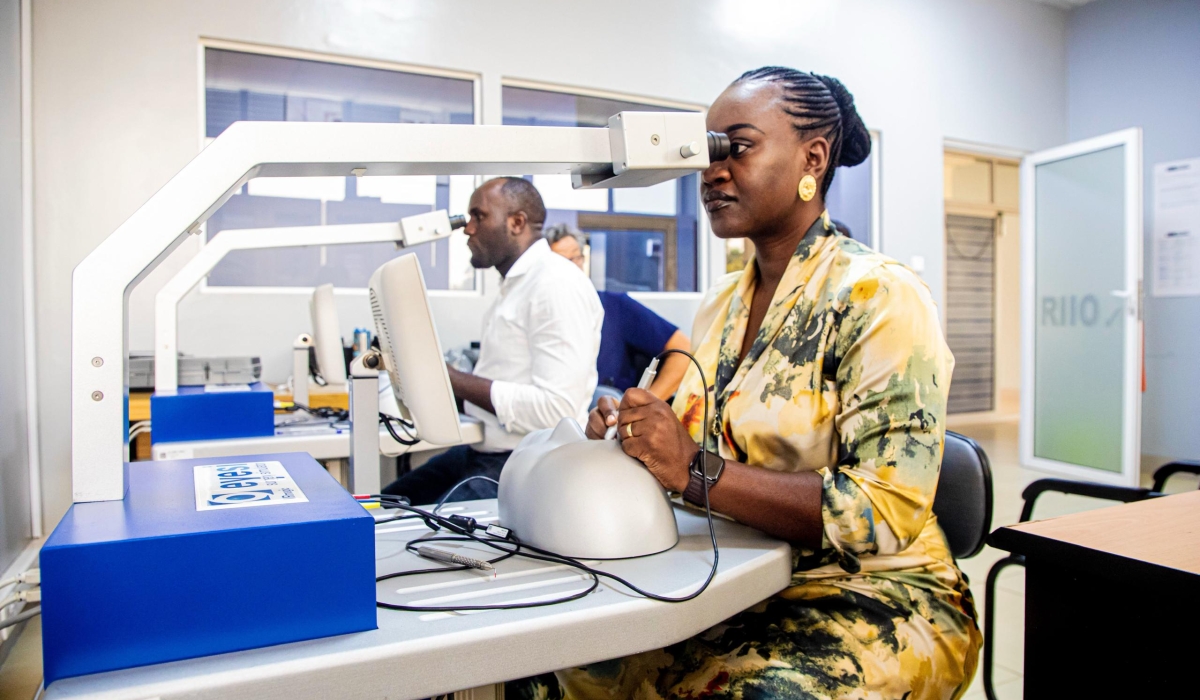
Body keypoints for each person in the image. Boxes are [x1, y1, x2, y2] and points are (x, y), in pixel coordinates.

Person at [513, 68, 980, 699]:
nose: (711, 171)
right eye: (707, 152)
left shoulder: (881, 296)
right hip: (740, 577)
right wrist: (637, 433)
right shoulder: (723, 303)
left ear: (812, 158)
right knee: (539, 673)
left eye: (737, 147)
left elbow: (885, 511)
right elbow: (696, 442)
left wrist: (693, 469)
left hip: (876, 599)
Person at [381, 177, 603, 504]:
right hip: (485, 451)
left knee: (414, 532)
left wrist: (448, 378)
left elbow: (558, 410)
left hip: (526, 462)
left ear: (516, 223)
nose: (468, 229)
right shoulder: (515, 285)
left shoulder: (555, 285)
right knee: (384, 505)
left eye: (478, 216)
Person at [543, 223, 691, 400]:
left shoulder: (615, 307)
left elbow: (683, 349)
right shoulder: (542, 316)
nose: (573, 267)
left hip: (611, 416)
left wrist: (646, 405)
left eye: (577, 258)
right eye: (563, 262)